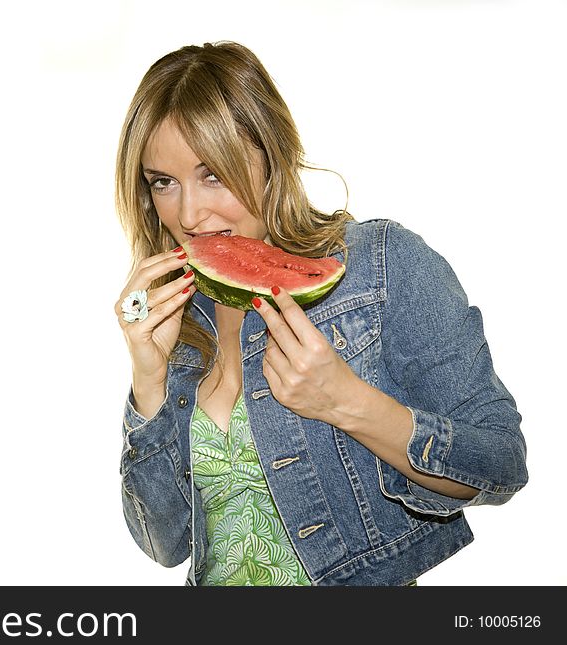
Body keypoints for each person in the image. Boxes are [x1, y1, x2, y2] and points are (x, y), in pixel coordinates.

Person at [113, 41, 528, 586]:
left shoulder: (381, 265)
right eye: (163, 182)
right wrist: (149, 380)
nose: (188, 213)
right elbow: (164, 545)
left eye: (212, 173)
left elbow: (501, 463)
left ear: (270, 154)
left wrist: (346, 401)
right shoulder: (182, 321)